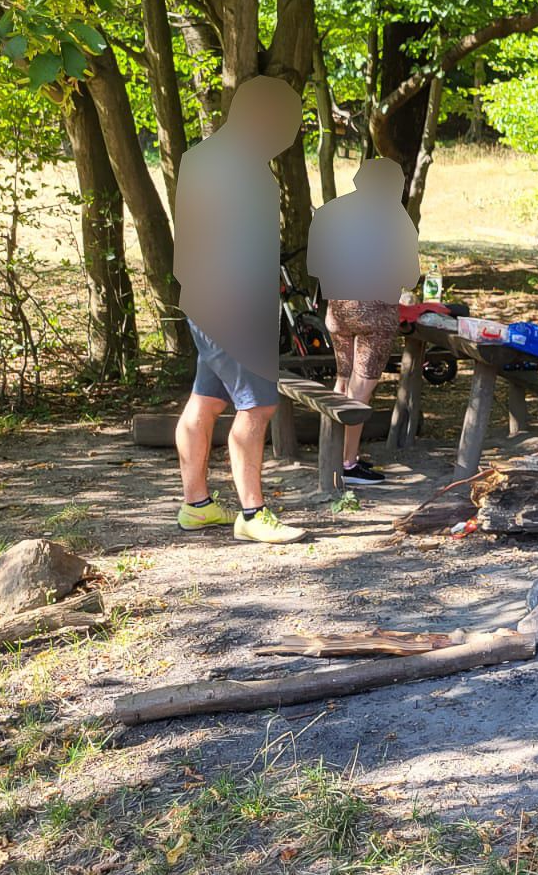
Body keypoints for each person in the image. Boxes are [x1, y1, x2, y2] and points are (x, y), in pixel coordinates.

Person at [173, 76, 306, 543]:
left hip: (201, 298)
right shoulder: (244, 166)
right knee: (259, 406)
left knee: (205, 401)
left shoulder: (200, 157)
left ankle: (196, 507)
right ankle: (252, 515)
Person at [307, 158, 421, 486]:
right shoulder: (394, 216)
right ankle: (347, 463)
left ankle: (333, 456)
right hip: (377, 314)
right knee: (361, 387)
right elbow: (410, 277)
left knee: (343, 382)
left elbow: (315, 265)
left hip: (337, 311)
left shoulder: (329, 212)